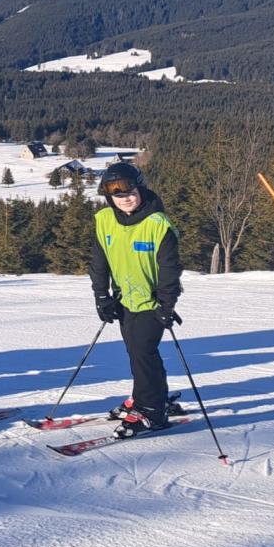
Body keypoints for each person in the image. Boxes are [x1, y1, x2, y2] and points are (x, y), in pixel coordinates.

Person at [89, 161, 185, 438]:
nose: (125, 198)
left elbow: (170, 269)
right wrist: (101, 296)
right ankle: (148, 395)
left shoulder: (158, 224)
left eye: (129, 191)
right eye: (117, 194)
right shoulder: (105, 220)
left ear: (140, 188)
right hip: (124, 299)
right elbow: (99, 261)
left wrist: (167, 305)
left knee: (143, 352)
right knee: (135, 352)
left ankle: (152, 411)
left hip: (152, 302)